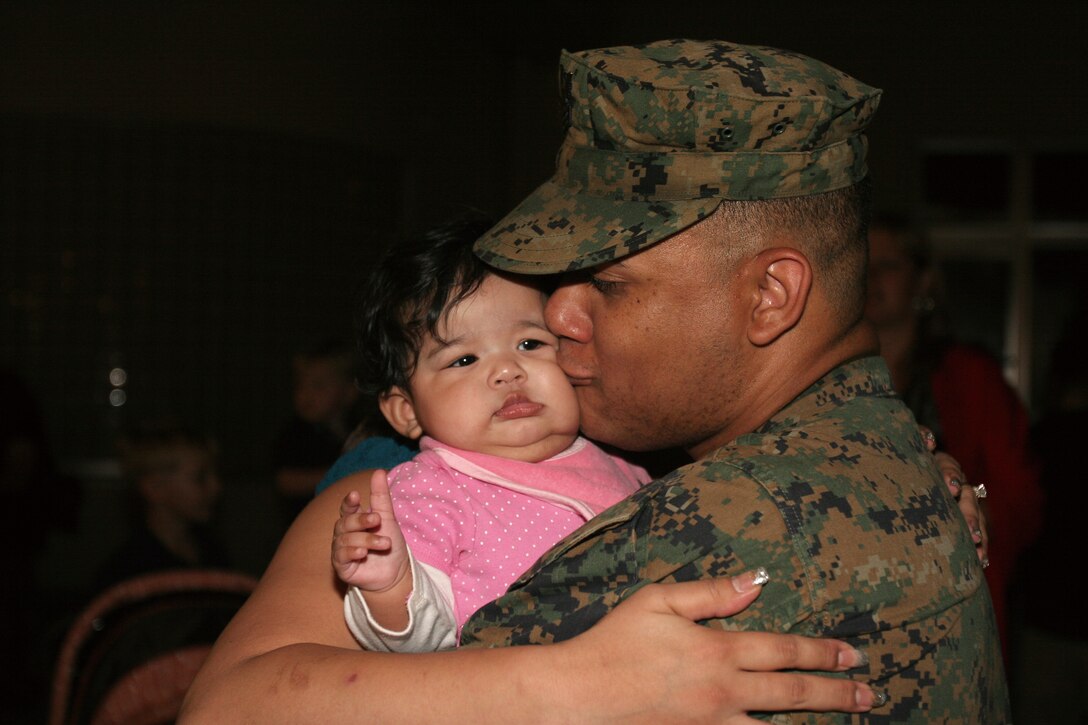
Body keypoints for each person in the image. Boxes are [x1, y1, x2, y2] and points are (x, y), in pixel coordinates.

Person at [180, 39, 995, 723]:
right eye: (554, 276)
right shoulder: (889, 461)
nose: (559, 316)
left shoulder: (687, 542)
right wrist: (573, 679)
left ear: (770, 295)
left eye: (607, 282)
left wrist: (569, 678)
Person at [332, 217, 650, 651]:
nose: (507, 371)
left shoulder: (623, 460)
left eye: (529, 344)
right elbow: (422, 643)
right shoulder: (431, 491)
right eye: (464, 360)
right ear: (406, 411)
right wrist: (390, 586)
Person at [864, 214, 1042, 661]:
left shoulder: (969, 376)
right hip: (862, 599)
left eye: (888, 266)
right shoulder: (829, 377)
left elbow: (1017, 492)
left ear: (923, 282)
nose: (871, 279)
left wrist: (974, 507)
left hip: (953, 605)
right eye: (864, 265)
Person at [93, 421, 229, 591]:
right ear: (154, 488)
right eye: (200, 477)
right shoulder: (128, 570)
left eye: (216, 473)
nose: (216, 486)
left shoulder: (213, 553)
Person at [271, 338, 362, 526]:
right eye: (300, 385)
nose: (306, 394)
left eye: (318, 386)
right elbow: (285, 481)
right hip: (302, 526)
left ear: (349, 392)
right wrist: (339, 475)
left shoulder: (360, 431)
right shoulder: (295, 433)